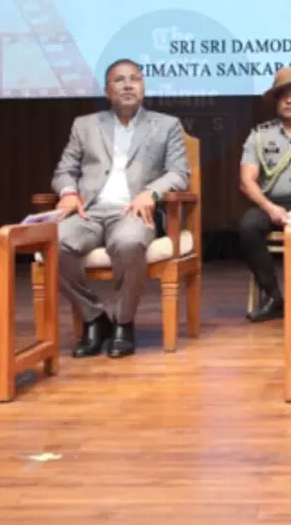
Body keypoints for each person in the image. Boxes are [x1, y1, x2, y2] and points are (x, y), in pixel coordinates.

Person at [52, 60, 190, 359]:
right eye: (119, 80)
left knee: (129, 242)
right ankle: (94, 318)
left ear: (143, 87)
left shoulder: (166, 125)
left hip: (133, 211)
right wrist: (69, 193)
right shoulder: (84, 125)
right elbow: (64, 171)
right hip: (88, 211)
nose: (128, 85)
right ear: (107, 90)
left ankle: (123, 323)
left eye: (134, 79)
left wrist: (151, 193)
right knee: (52, 243)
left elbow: (179, 173)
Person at [237, 67, 291, 323]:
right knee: (248, 227)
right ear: (275, 101)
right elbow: (246, 181)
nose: (289, 101)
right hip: (271, 203)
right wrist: (270, 208)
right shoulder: (259, 134)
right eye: (283, 96)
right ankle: (273, 296)